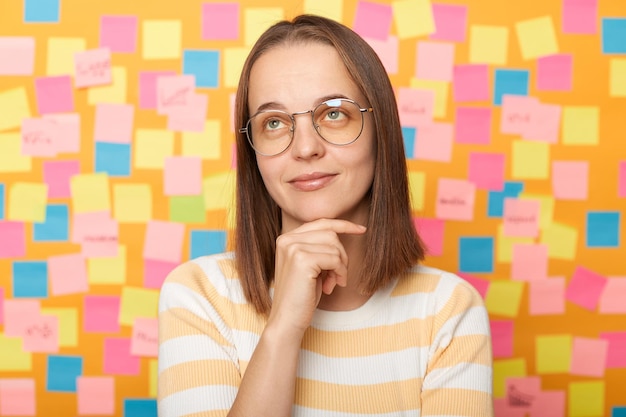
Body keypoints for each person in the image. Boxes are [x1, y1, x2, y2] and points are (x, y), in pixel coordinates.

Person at [157, 14, 493, 417]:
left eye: (334, 113)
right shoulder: (199, 296)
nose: (305, 148)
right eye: (275, 123)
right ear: (254, 154)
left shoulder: (448, 311)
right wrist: (282, 329)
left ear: (379, 128)